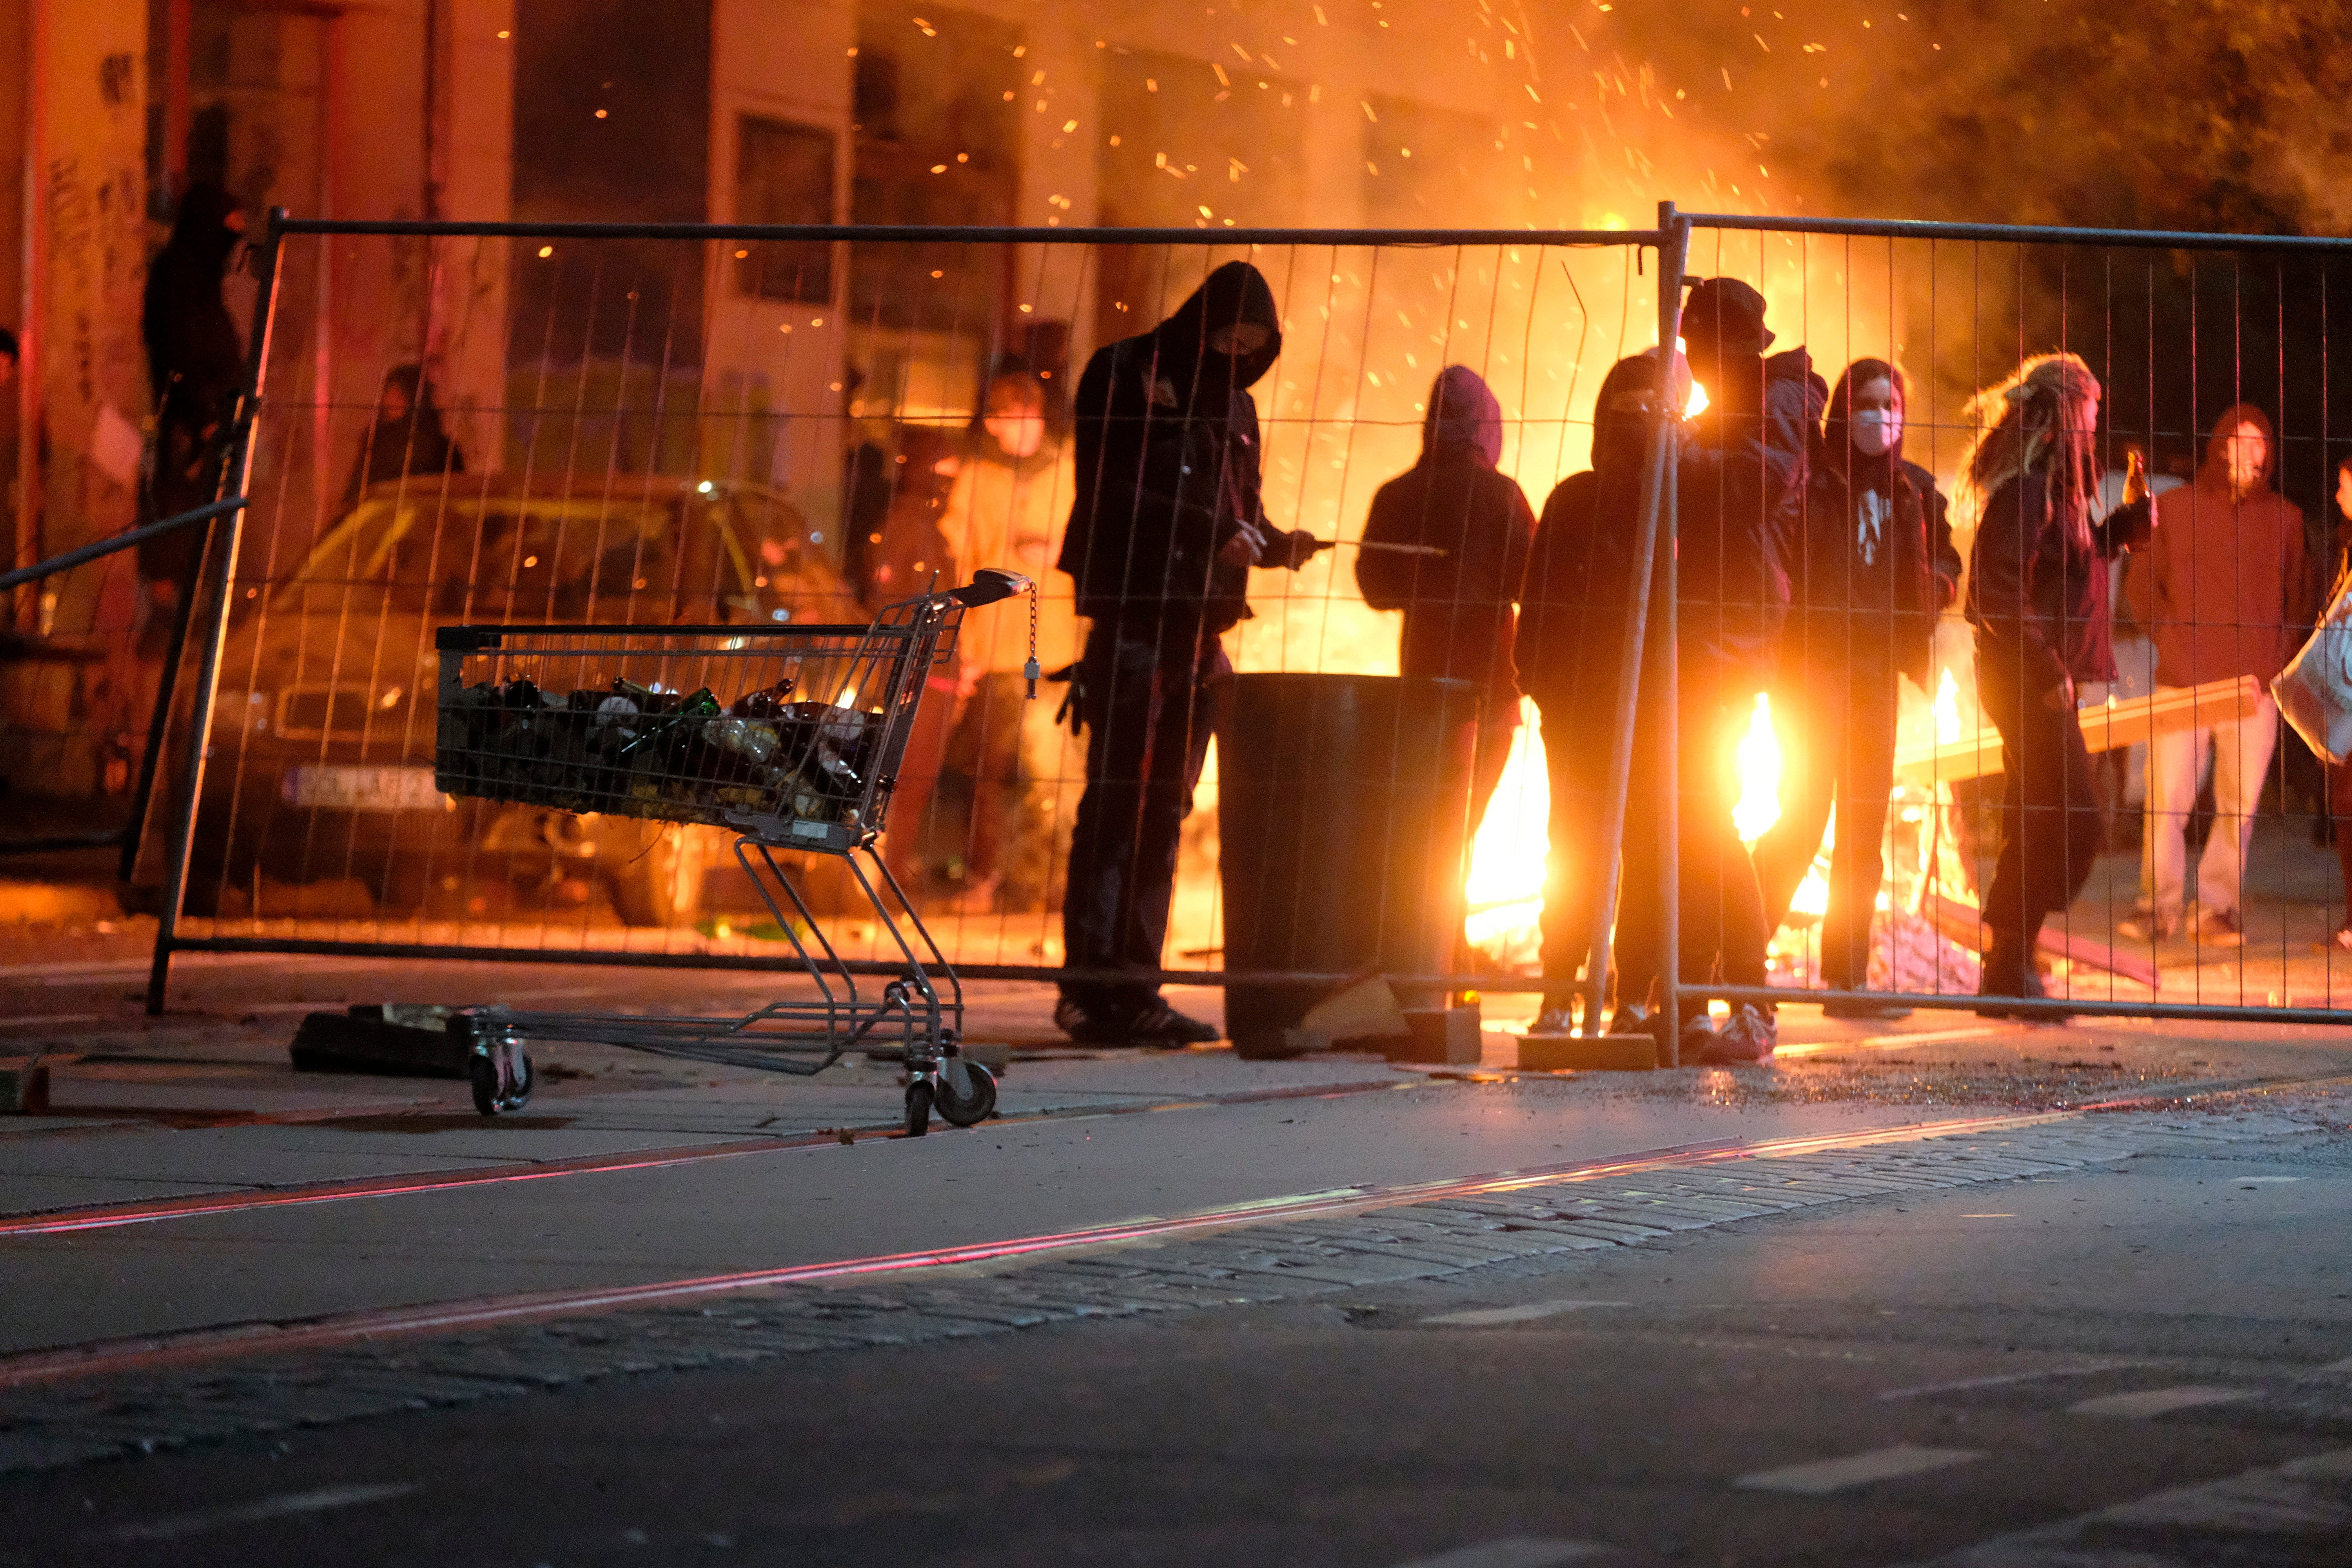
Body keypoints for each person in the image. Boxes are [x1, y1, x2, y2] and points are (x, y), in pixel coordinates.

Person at [1054, 261, 1328, 1044]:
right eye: (1225, 339)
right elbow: (1112, 489)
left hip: (1202, 634)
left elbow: (1242, 509)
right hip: (1138, 624)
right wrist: (1214, 533)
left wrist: (1277, 545)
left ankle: (1138, 984)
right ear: (1197, 322)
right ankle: (1093, 986)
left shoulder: (1237, 406)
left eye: (1251, 348)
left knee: (1167, 810)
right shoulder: (1125, 372)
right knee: (1118, 806)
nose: (1234, 357)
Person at [1613, 277, 1823, 1062]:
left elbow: (1740, 488)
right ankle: (1697, 997)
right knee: (1696, 822)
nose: (1695, 364)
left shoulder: (1774, 407)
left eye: (1703, 349)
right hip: (1707, 628)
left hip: (1729, 635)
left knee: (1706, 817)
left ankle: (1749, 998)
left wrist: (1670, 443)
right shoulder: (1735, 414)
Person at [1753, 359, 1959, 1016]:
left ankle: (1847, 977)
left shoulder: (1913, 491)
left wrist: (1936, 587)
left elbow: (1947, 557)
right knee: (1803, 819)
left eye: (1891, 403)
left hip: (1875, 677)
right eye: (1868, 403)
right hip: (1811, 675)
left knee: (1863, 830)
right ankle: (1729, 950)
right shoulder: (1812, 481)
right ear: (1845, 409)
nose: (1881, 416)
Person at [1962, 353, 2152, 1011]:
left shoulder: (2059, 491)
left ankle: (2010, 966)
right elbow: (1995, 591)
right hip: (2024, 675)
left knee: (2040, 814)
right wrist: (2046, 670)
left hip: (2042, 673)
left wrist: (2121, 531)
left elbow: (2064, 566)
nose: (2094, 432)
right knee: (2074, 818)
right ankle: (2011, 951)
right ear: (2063, 415)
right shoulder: (2025, 491)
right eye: (2089, 416)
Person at [1514, 353, 1661, 1034]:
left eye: (1652, 410)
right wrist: (1539, 680)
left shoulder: (1677, 499)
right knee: (1574, 848)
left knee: (1649, 846)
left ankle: (1636, 994)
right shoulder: (1573, 498)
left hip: (1662, 709)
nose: (1639, 424)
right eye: (1628, 408)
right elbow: (1538, 596)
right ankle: (1559, 990)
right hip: (1577, 707)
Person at [2126, 405, 2302, 947]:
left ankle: (2218, 910)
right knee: (2167, 801)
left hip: (2254, 688)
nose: (2250, 452)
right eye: (2239, 440)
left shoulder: (2286, 518)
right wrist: (2170, 637)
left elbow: (2299, 598)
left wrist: (2277, 658)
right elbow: (2140, 583)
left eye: (2259, 443)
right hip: (2182, 679)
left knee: (2238, 807)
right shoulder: (2175, 509)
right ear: (2219, 446)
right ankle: (2157, 908)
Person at [1356, 365, 1536, 853]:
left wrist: (1427, 580)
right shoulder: (1502, 495)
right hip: (1494, 685)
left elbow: (1374, 585)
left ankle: (1423, 922)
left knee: (1427, 819)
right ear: (1488, 424)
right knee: (1459, 826)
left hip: (1422, 684)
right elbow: (1533, 581)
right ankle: (1441, 925)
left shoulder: (1398, 495)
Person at [935, 368, 1080, 913]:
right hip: (993, 646)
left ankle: (1054, 878)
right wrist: (964, 643)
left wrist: (1060, 554)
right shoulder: (976, 478)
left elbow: (1092, 538)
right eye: (1010, 421)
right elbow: (957, 552)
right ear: (995, 425)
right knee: (990, 774)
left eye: (1030, 419)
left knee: (1054, 769)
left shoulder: (1069, 472)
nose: (1021, 431)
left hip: (1054, 645)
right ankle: (986, 877)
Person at [140, 182, 247, 598]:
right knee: (186, 532)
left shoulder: (203, 282)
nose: (231, 246)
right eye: (226, 232)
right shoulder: (178, 279)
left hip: (215, 430)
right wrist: (202, 418)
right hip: (192, 437)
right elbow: (177, 352)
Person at [343, 365, 464, 509]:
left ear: (414, 398)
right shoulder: (378, 440)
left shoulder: (441, 448)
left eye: (399, 396)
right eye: (388, 393)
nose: (390, 401)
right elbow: (359, 487)